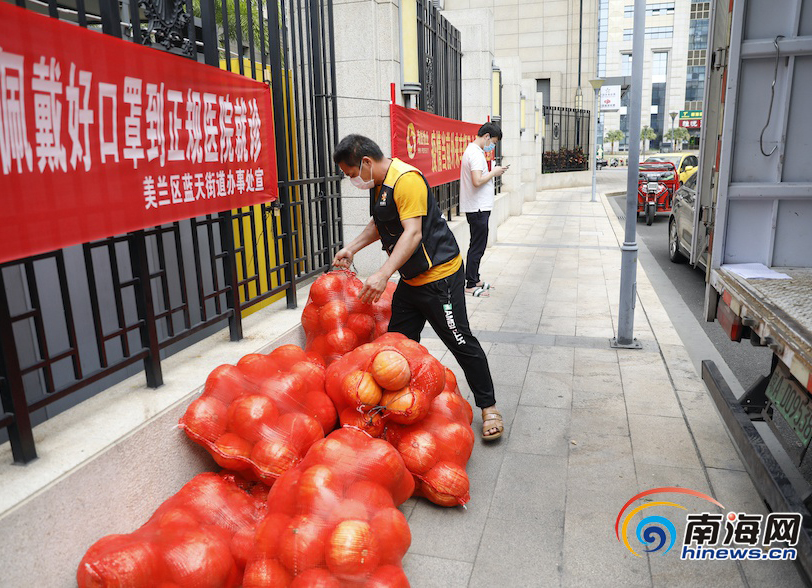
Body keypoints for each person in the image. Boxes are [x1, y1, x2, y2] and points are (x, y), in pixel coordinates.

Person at [331, 134, 504, 441]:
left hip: (440, 279)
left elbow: (412, 234)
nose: (353, 179)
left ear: (366, 162)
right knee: (397, 346)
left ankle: (488, 406)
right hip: (411, 282)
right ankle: (403, 409)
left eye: (352, 173)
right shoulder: (379, 184)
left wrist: (383, 274)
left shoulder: (406, 180)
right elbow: (379, 223)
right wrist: (351, 248)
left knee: (460, 341)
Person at [460, 122, 507, 298]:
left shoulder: (474, 151)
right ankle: (471, 284)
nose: (492, 146)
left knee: (477, 245)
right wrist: (494, 172)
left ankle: (475, 278)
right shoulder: (475, 153)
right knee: (477, 247)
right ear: (486, 136)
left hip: (477, 207)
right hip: (478, 208)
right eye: (493, 142)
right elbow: (477, 180)